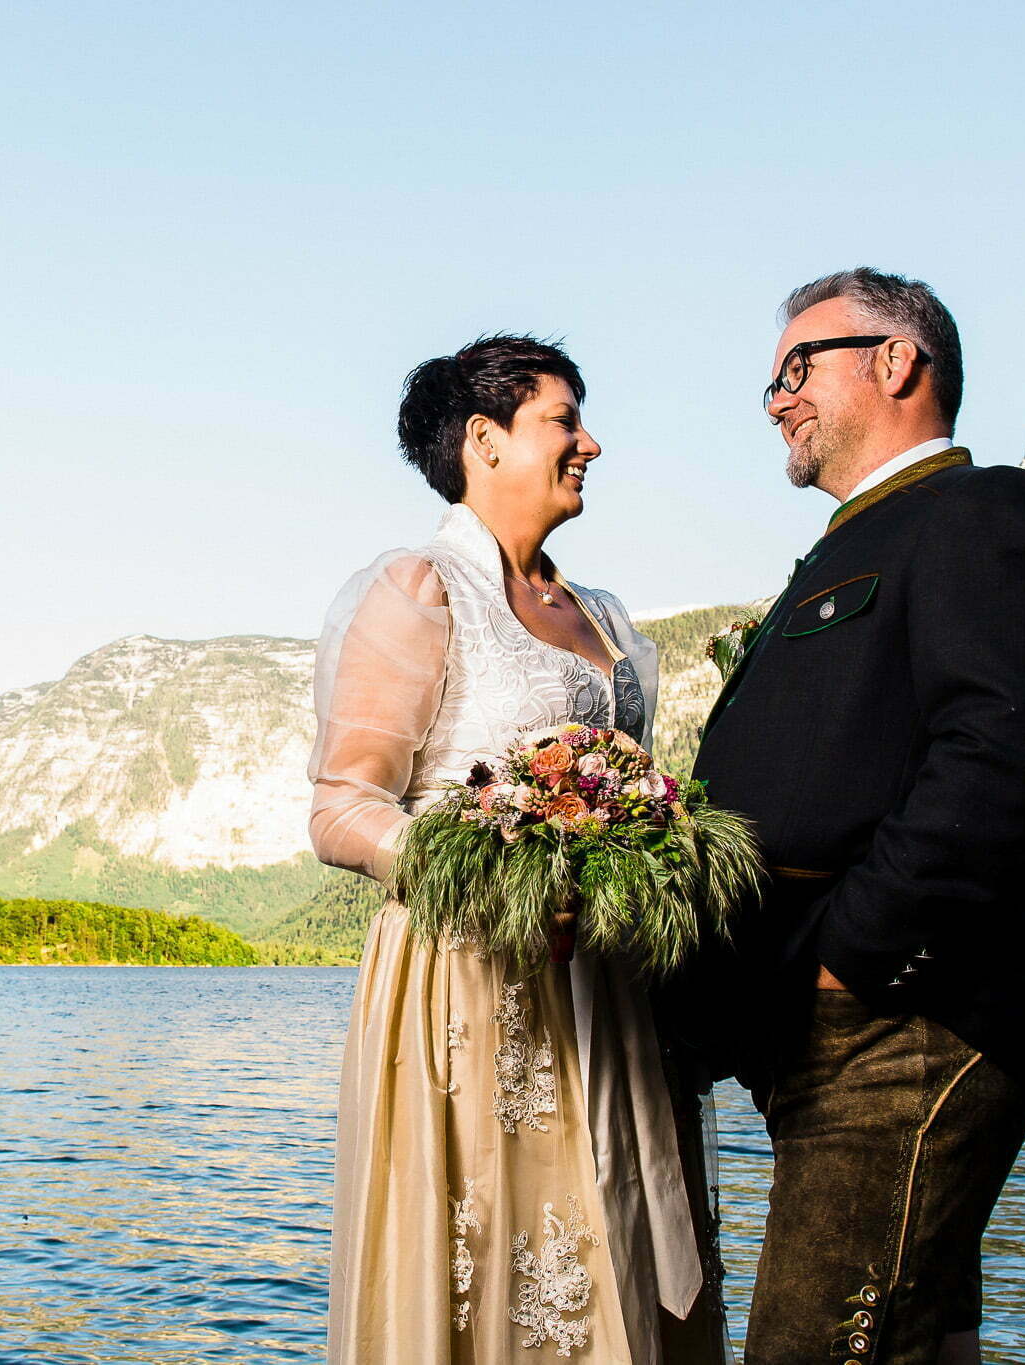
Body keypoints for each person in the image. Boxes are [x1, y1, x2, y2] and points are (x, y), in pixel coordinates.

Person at [678, 269, 1025, 1365]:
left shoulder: (982, 513)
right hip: (837, 1032)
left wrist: (851, 958)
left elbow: (1001, 753)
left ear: (895, 361)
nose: (773, 399)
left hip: (902, 1022)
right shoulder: (855, 542)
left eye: (793, 369)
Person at [309, 335, 727, 1363]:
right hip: (469, 979)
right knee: (498, 1252)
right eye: (563, 421)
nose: (590, 442)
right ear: (483, 442)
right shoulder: (420, 587)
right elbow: (341, 806)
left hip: (610, 983)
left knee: (618, 1239)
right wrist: (499, 880)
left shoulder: (606, 618)